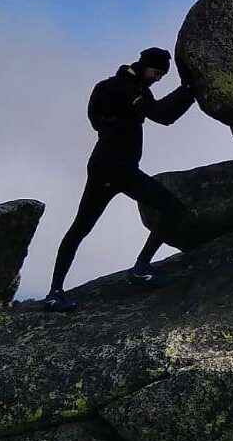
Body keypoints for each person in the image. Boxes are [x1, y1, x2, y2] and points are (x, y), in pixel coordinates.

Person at [43, 47, 196, 311]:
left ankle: (55, 291)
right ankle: (140, 268)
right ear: (146, 65)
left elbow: (95, 120)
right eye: (157, 73)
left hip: (106, 165)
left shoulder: (122, 87)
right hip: (117, 169)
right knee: (173, 210)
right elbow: (163, 116)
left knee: (80, 227)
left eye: (161, 75)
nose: (158, 79)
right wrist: (189, 90)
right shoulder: (124, 87)